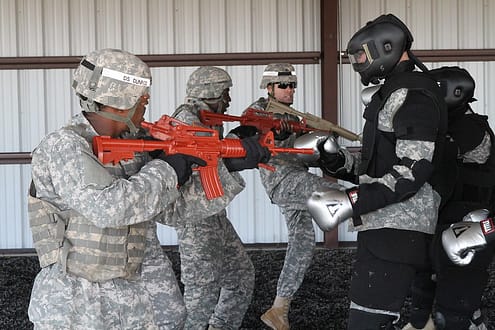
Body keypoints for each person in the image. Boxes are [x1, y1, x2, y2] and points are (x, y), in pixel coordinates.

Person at [27, 49, 249, 329]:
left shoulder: (132, 148)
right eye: (143, 99)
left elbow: (173, 211)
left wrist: (229, 167)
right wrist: (168, 169)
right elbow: (109, 208)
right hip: (75, 304)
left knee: (173, 318)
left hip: (129, 293)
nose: (146, 107)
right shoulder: (63, 147)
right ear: (122, 102)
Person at [305, 14, 448, 329]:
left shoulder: (412, 94)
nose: (358, 63)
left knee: (367, 323)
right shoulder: (396, 92)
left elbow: (412, 172)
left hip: (399, 230)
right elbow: (381, 168)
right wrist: (333, 159)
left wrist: (350, 201)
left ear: (385, 46)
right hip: (390, 227)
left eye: (360, 55)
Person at [239, 63, 343, 330]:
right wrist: (276, 132)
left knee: (303, 242)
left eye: (292, 85)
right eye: (284, 85)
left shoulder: (295, 116)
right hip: (282, 180)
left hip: (296, 176)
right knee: (340, 196)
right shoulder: (256, 112)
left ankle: (279, 308)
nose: (289, 90)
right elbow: (247, 141)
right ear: (269, 88)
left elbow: (302, 153)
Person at [171, 66, 271, 330]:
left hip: (213, 216)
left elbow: (215, 156)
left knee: (240, 276)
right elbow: (197, 167)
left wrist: (241, 137)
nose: (228, 100)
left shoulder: (207, 119)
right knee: (200, 297)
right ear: (209, 92)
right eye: (224, 93)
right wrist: (237, 159)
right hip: (194, 220)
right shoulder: (187, 121)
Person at [404, 66, 495, 330]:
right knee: (424, 280)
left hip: (467, 224)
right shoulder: (447, 126)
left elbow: (434, 160)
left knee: (455, 305)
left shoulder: (471, 129)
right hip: (444, 218)